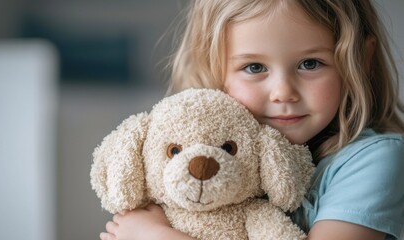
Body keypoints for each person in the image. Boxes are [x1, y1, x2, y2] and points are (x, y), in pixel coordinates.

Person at [100, 0, 404, 239]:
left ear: (360, 59)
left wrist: (158, 236)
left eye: (310, 63)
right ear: (214, 67)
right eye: (255, 67)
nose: (283, 93)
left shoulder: (373, 161)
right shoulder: (219, 161)